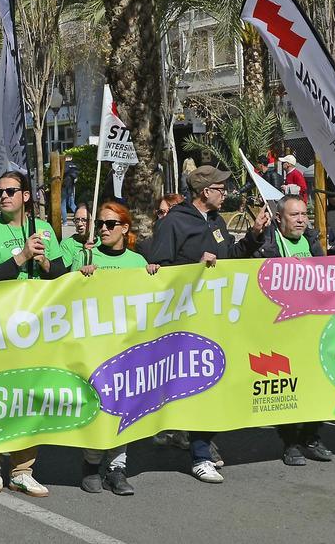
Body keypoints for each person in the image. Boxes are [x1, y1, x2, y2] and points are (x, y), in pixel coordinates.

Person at [147, 164, 269, 484]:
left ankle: (196, 440)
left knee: (218, 383)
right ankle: (200, 455)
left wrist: (254, 235)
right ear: (204, 192)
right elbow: (160, 273)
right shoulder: (174, 222)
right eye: (219, 188)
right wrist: (195, 268)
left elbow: (230, 257)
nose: (224, 192)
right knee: (200, 387)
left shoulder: (216, 221)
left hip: (217, 316)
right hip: (186, 320)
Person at [0, 171, 67, 497]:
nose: (4, 196)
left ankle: (23, 468)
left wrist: (45, 264)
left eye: (11, 191)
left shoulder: (43, 230)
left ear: (26, 195)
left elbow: (61, 277)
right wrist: (22, 257)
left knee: (31, 398)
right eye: (0, 192)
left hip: (36, 329)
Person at [78, 202, 158, 495]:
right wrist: (81, 274)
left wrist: (153, 274)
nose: (103, 229)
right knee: (98, 405)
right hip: (94, 346)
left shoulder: (137, 262)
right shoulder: (86, 256)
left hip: (126, 347)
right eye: (100, 223)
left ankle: (117, 468)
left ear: (125, 228)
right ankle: (90, 464)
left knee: (124, 405)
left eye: (110, 224)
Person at [253, 196, 333, 466]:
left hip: (311, 326)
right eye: (294, 215)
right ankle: (290, 443)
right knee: (285, 388)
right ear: (279, 219)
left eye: (304, 214)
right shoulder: (267, 245)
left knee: (317, 384)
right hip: (281, 328)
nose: (301, 219)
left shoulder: (312, 241)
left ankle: (311, 435)